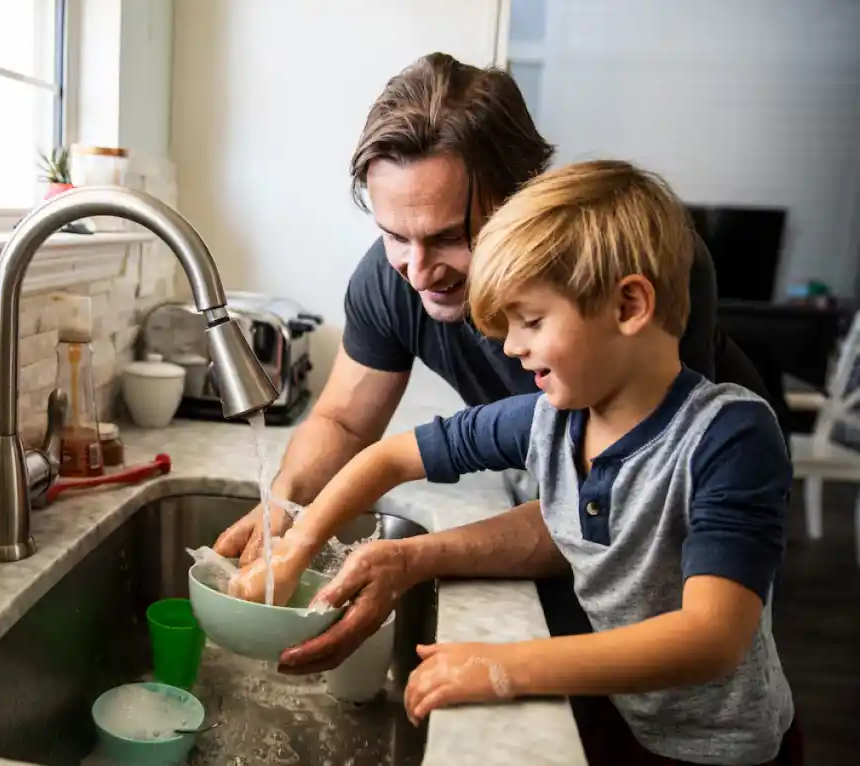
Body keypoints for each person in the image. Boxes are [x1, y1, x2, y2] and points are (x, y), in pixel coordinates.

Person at [212, 51, 784, 672]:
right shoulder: (392, 279)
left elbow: (608, 517)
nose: (419, 271)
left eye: (452, 237)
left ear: (526, 198)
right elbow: (348, 425)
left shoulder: (637, 273)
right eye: (395, 236)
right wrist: (287, 512)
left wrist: (418, 564)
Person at [230, 159, 802, 766]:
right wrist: (297, 538)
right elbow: (390, 456)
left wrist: (505, 667)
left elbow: (711, 639)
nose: (510, 346)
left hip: (724, 752)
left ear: (630, 305)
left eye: (530, 321)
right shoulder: (553, 417)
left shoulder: (729, 436)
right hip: (622, 712)